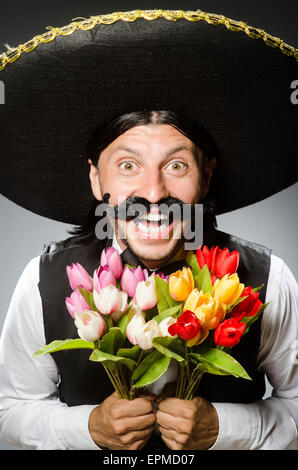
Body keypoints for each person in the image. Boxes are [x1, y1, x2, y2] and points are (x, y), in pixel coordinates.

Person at [0, 9, 297, 451]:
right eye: (127, 165)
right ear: (97, 180)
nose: (154, 193)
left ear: (207, 175)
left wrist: (228, 428)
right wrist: (87, 429)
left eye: (176, 165)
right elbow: (10, 411)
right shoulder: (43, 281)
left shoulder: (267, 279)